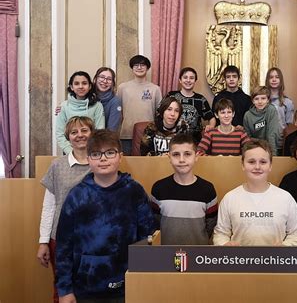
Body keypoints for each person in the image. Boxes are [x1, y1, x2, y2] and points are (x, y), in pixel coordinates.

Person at [55, 129, 155, 303]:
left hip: (126, 286)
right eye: (96, 154)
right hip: (84, 287)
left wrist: (144, 281)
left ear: (120, 156)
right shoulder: (77, 195)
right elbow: (64, 246)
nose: (103, 158)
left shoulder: (134, 191)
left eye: (110, 152)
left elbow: (147, 238)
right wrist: (64, 290)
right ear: (88, 159)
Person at [37, 117, 93, 303]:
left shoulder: (102, 162)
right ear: (68, 137)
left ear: (92, 133)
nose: (80, 135)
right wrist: (43, 241)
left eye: (84, 130)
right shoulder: (57, 165)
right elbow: (49, 206)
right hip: (60, 239)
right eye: (74, 132)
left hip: (94, 239)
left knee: (91, 290)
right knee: (62, 290)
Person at [213, 139, 297, 246]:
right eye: (251, 162)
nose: (257, 167)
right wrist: (224, 244)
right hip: (240, 261)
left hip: (276, 260)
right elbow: (220, 233)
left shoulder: (285, 198)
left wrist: (286, 246)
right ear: (243, 165)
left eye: (263, 162)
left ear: (270, 166)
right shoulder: (230, 198)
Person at [151, 134, 218, 245]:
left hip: (198, 256)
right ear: (169, 158)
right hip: (165, 255)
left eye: (187, 154)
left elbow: (210, 226)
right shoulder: (158, 189)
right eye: (176, 154)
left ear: (196, 157)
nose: (182, 160)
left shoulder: (208, 190)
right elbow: (155, 224)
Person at [117, 54, 162, 155]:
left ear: (147, 68)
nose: (139, 67)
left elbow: (159, 113)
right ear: (132, 68)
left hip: (148, 135)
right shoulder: (122, 88)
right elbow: (118, 112)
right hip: (127, 134)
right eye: (136, 65)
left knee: (147, 165)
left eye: (142, 65)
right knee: (127, 164)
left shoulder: (155, 89)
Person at [56, 71, 105, 154]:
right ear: (71, 87)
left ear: (89, 86)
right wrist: (72, 152)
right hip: (70, 152)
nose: (81, 86)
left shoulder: (97, 106)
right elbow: (59, 133)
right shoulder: (63, 106)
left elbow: (99, 131)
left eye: (84, 83)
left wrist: (90, 150)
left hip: (91, 151)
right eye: (76, 83)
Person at [166, 67, 216, 143]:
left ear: (195, 81)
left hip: (194, 141)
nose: (188, 80)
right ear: (180, 80)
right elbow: (160, 113)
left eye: (191, 78)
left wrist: (211, 126)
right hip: (172, 139)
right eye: (185, 77)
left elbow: (211, 118)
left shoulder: (200, 99)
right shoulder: (171, 96)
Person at [243, 86, 281, 156]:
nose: (260, 102)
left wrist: (273, 155)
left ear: (268, 100)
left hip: (270, 147)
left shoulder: (271, 110)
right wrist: (259, 142)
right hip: (254, 148)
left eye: (263, 98)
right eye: (256, 99)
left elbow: (271, 135)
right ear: (252, 101)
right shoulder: (247, 115)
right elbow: (247, 137)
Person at [93, 67, 122, 132]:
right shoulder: (88, 96)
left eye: (109, 79)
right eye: (102, 77)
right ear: (95, 79)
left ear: (112, 83)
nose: (105, 81)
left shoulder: (115, 101)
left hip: (103, 138)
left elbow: (112, 129)